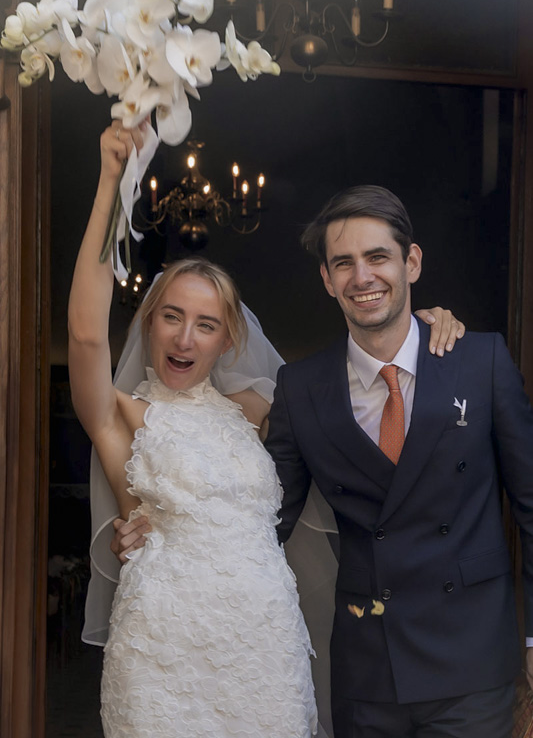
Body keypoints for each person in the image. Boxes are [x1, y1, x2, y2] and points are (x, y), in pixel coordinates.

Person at [69, 121, 319, 738]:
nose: (184, 337)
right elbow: (84, 334)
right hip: (163, 650)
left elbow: (360, 394)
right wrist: (113, 183)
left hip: (264, 651)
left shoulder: (259, 411)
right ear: (149, 324)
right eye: (172, 318)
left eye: (205, 324)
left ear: (228, 339)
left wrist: (426, 322)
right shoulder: (121, 412)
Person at [264, 184, 533, 738]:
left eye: (377, 257)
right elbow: (265, 519)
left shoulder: (481, 362)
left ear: (411, 262)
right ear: (326, 280)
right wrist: (172, 535)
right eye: (344, 263)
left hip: (473, 666)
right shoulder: (300, 388)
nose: (362, 277)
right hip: (367, 672)